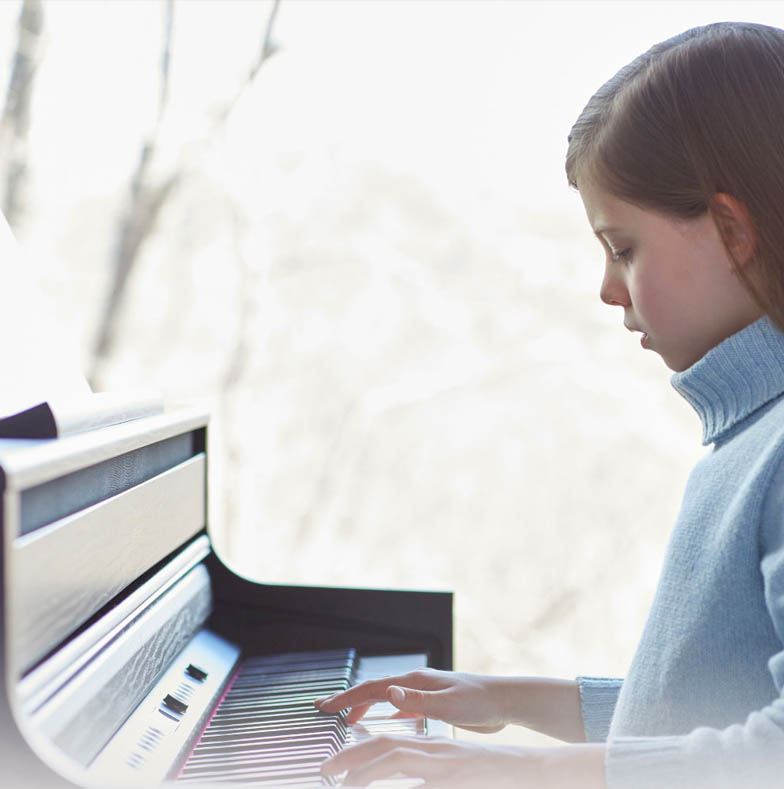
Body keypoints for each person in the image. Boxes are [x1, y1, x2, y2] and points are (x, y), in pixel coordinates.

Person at [314, 20, 784, 789]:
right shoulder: (748, 436)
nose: (607, 290)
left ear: (732, 231)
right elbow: (700, 714)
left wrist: (516, 770)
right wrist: (500, 698)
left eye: (623, 248)